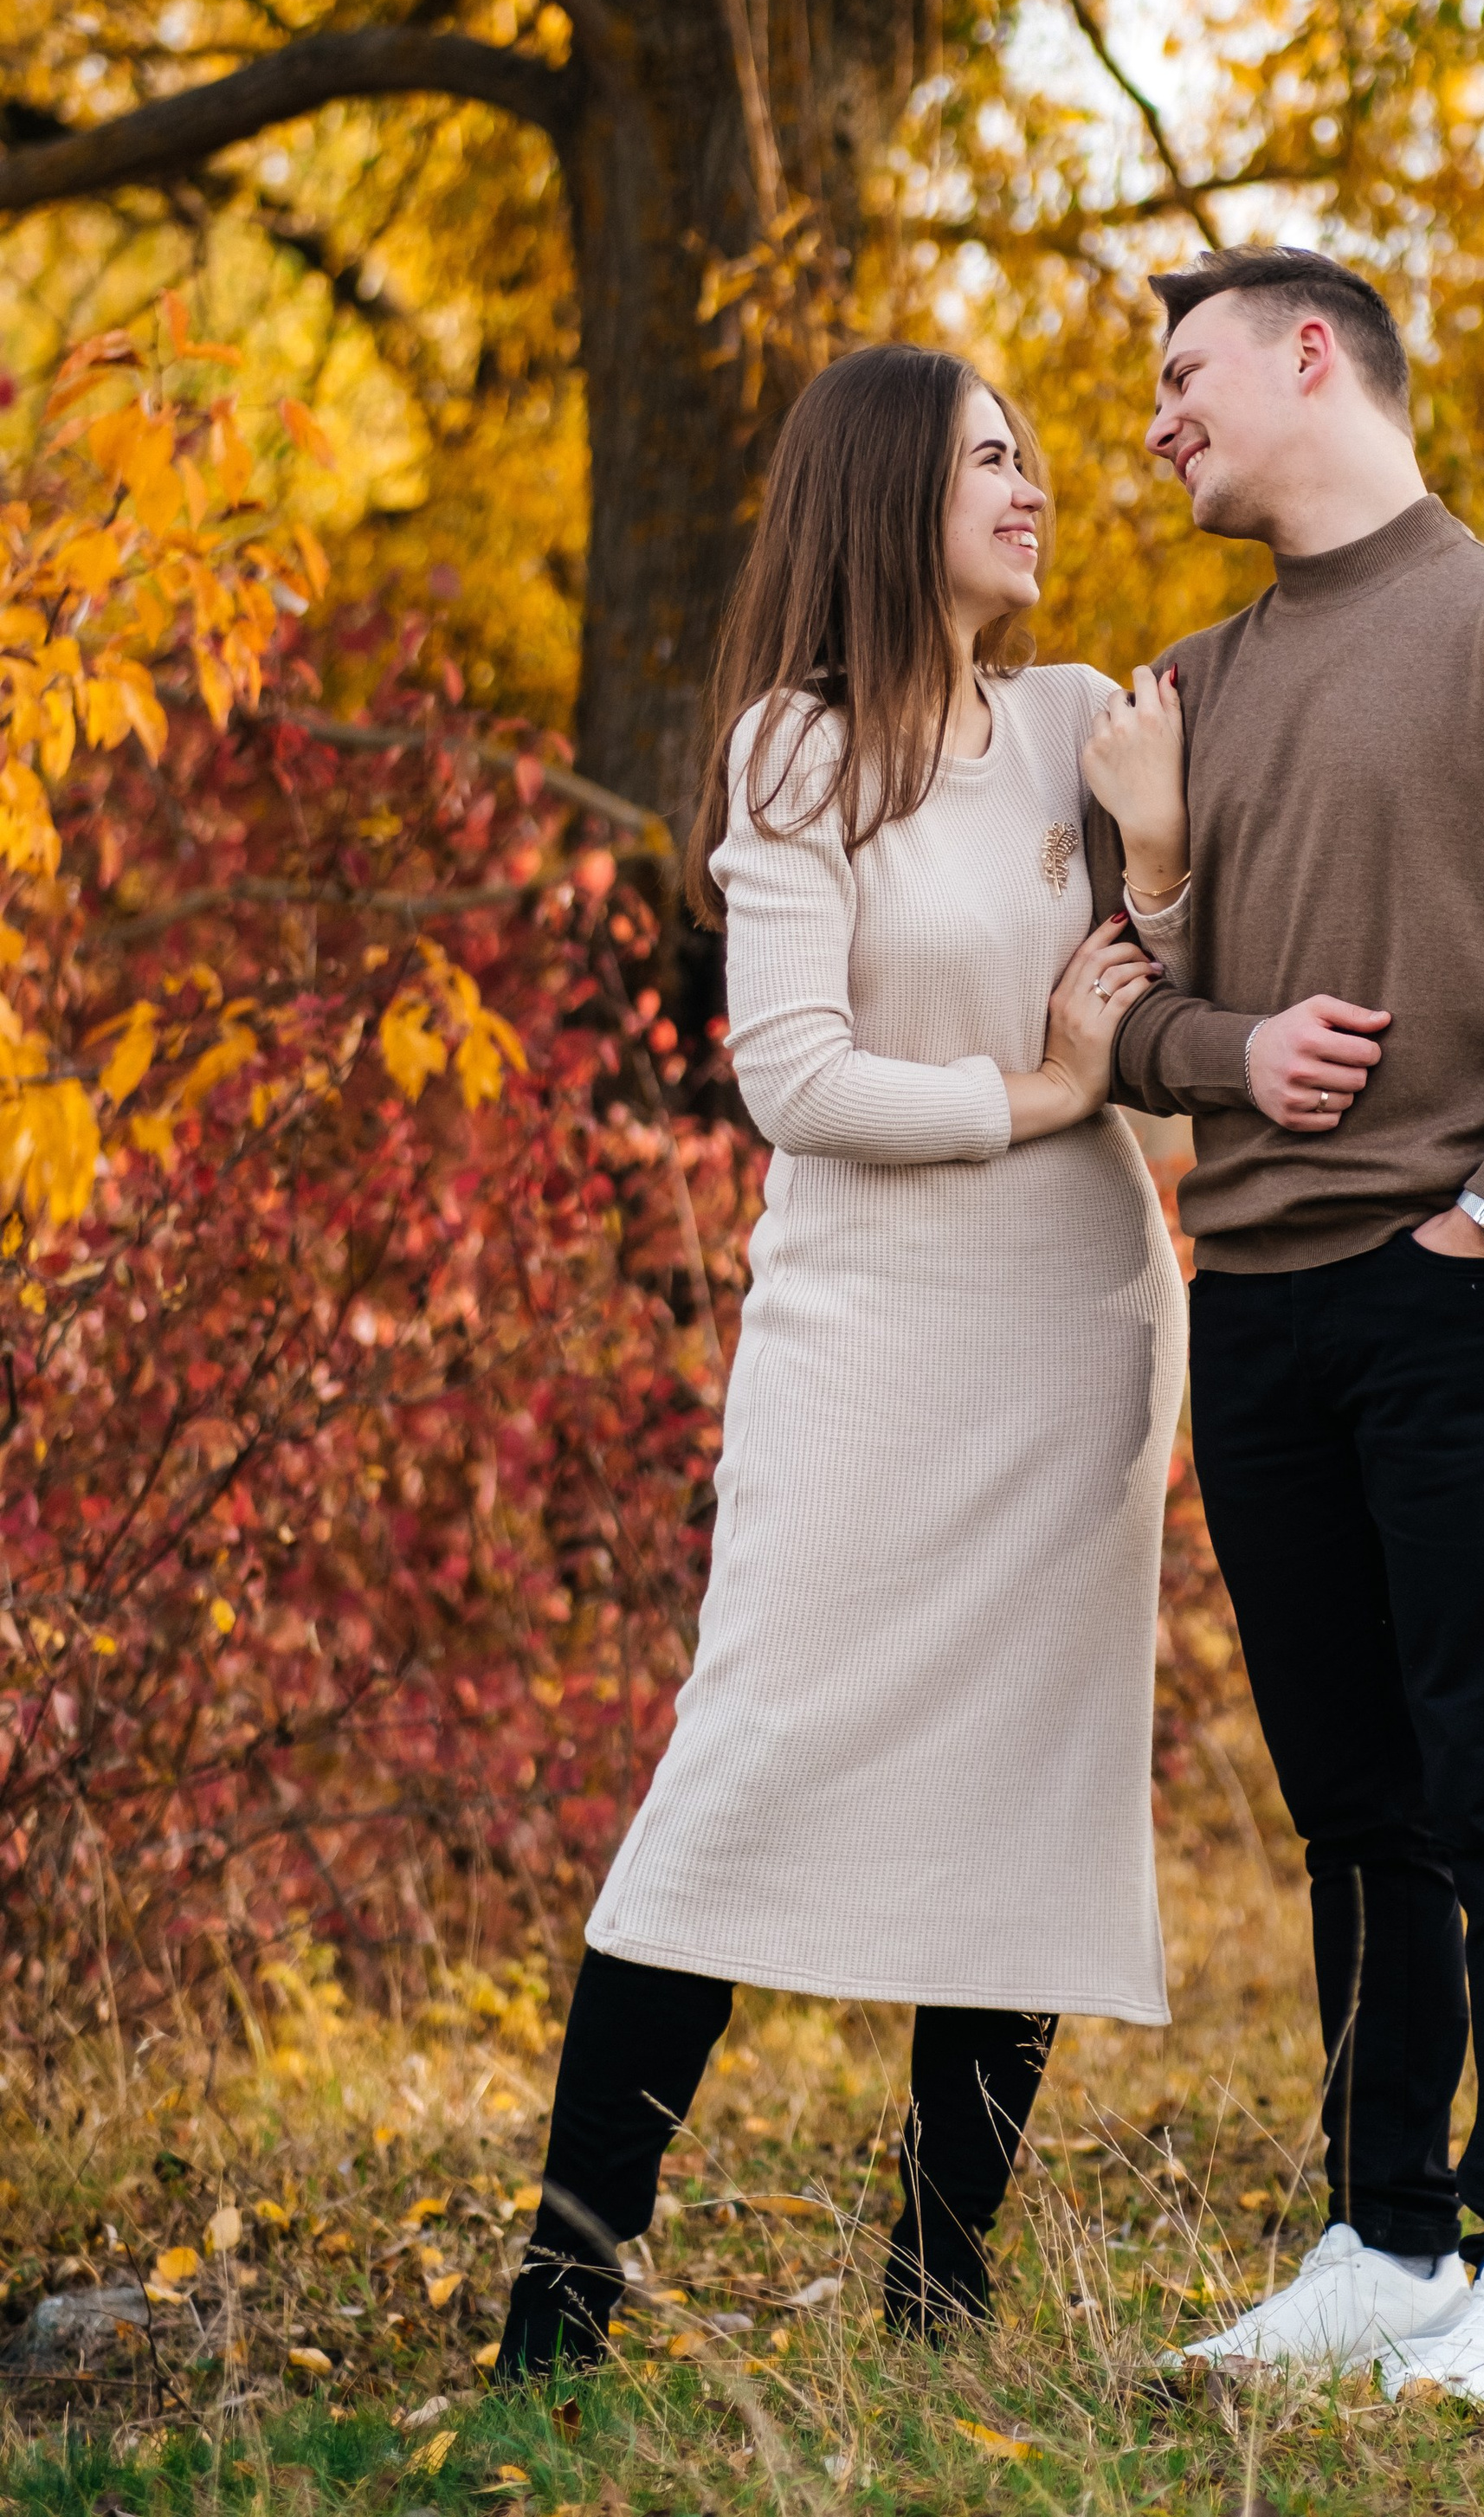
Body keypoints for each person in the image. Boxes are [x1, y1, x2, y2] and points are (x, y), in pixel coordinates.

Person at [495, 341, 1194, 2375]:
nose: (1034, 481)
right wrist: (1040, 1096)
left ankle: (936, 2295)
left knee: (1032, 1798)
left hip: (1077, 1330)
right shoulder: (797, 752)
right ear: (888, 491)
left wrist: (1149, 862)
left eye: (1034, 452)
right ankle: (555, 2311)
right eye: (988, 454)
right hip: (871, 1343)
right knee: (734, 1782)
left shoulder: (1082, 721)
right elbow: (789, 1075)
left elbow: (1166, 989)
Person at [1111, 246, 1484, 2417]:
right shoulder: (1184, 687)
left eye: (1181, 375)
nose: (1154, 420)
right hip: (1256, 1321)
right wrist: (1228, 1038)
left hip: (1465, 1305)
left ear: (1307, 357)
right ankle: (1380, 2238)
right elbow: (1109, 1013)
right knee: (1350, 1810)